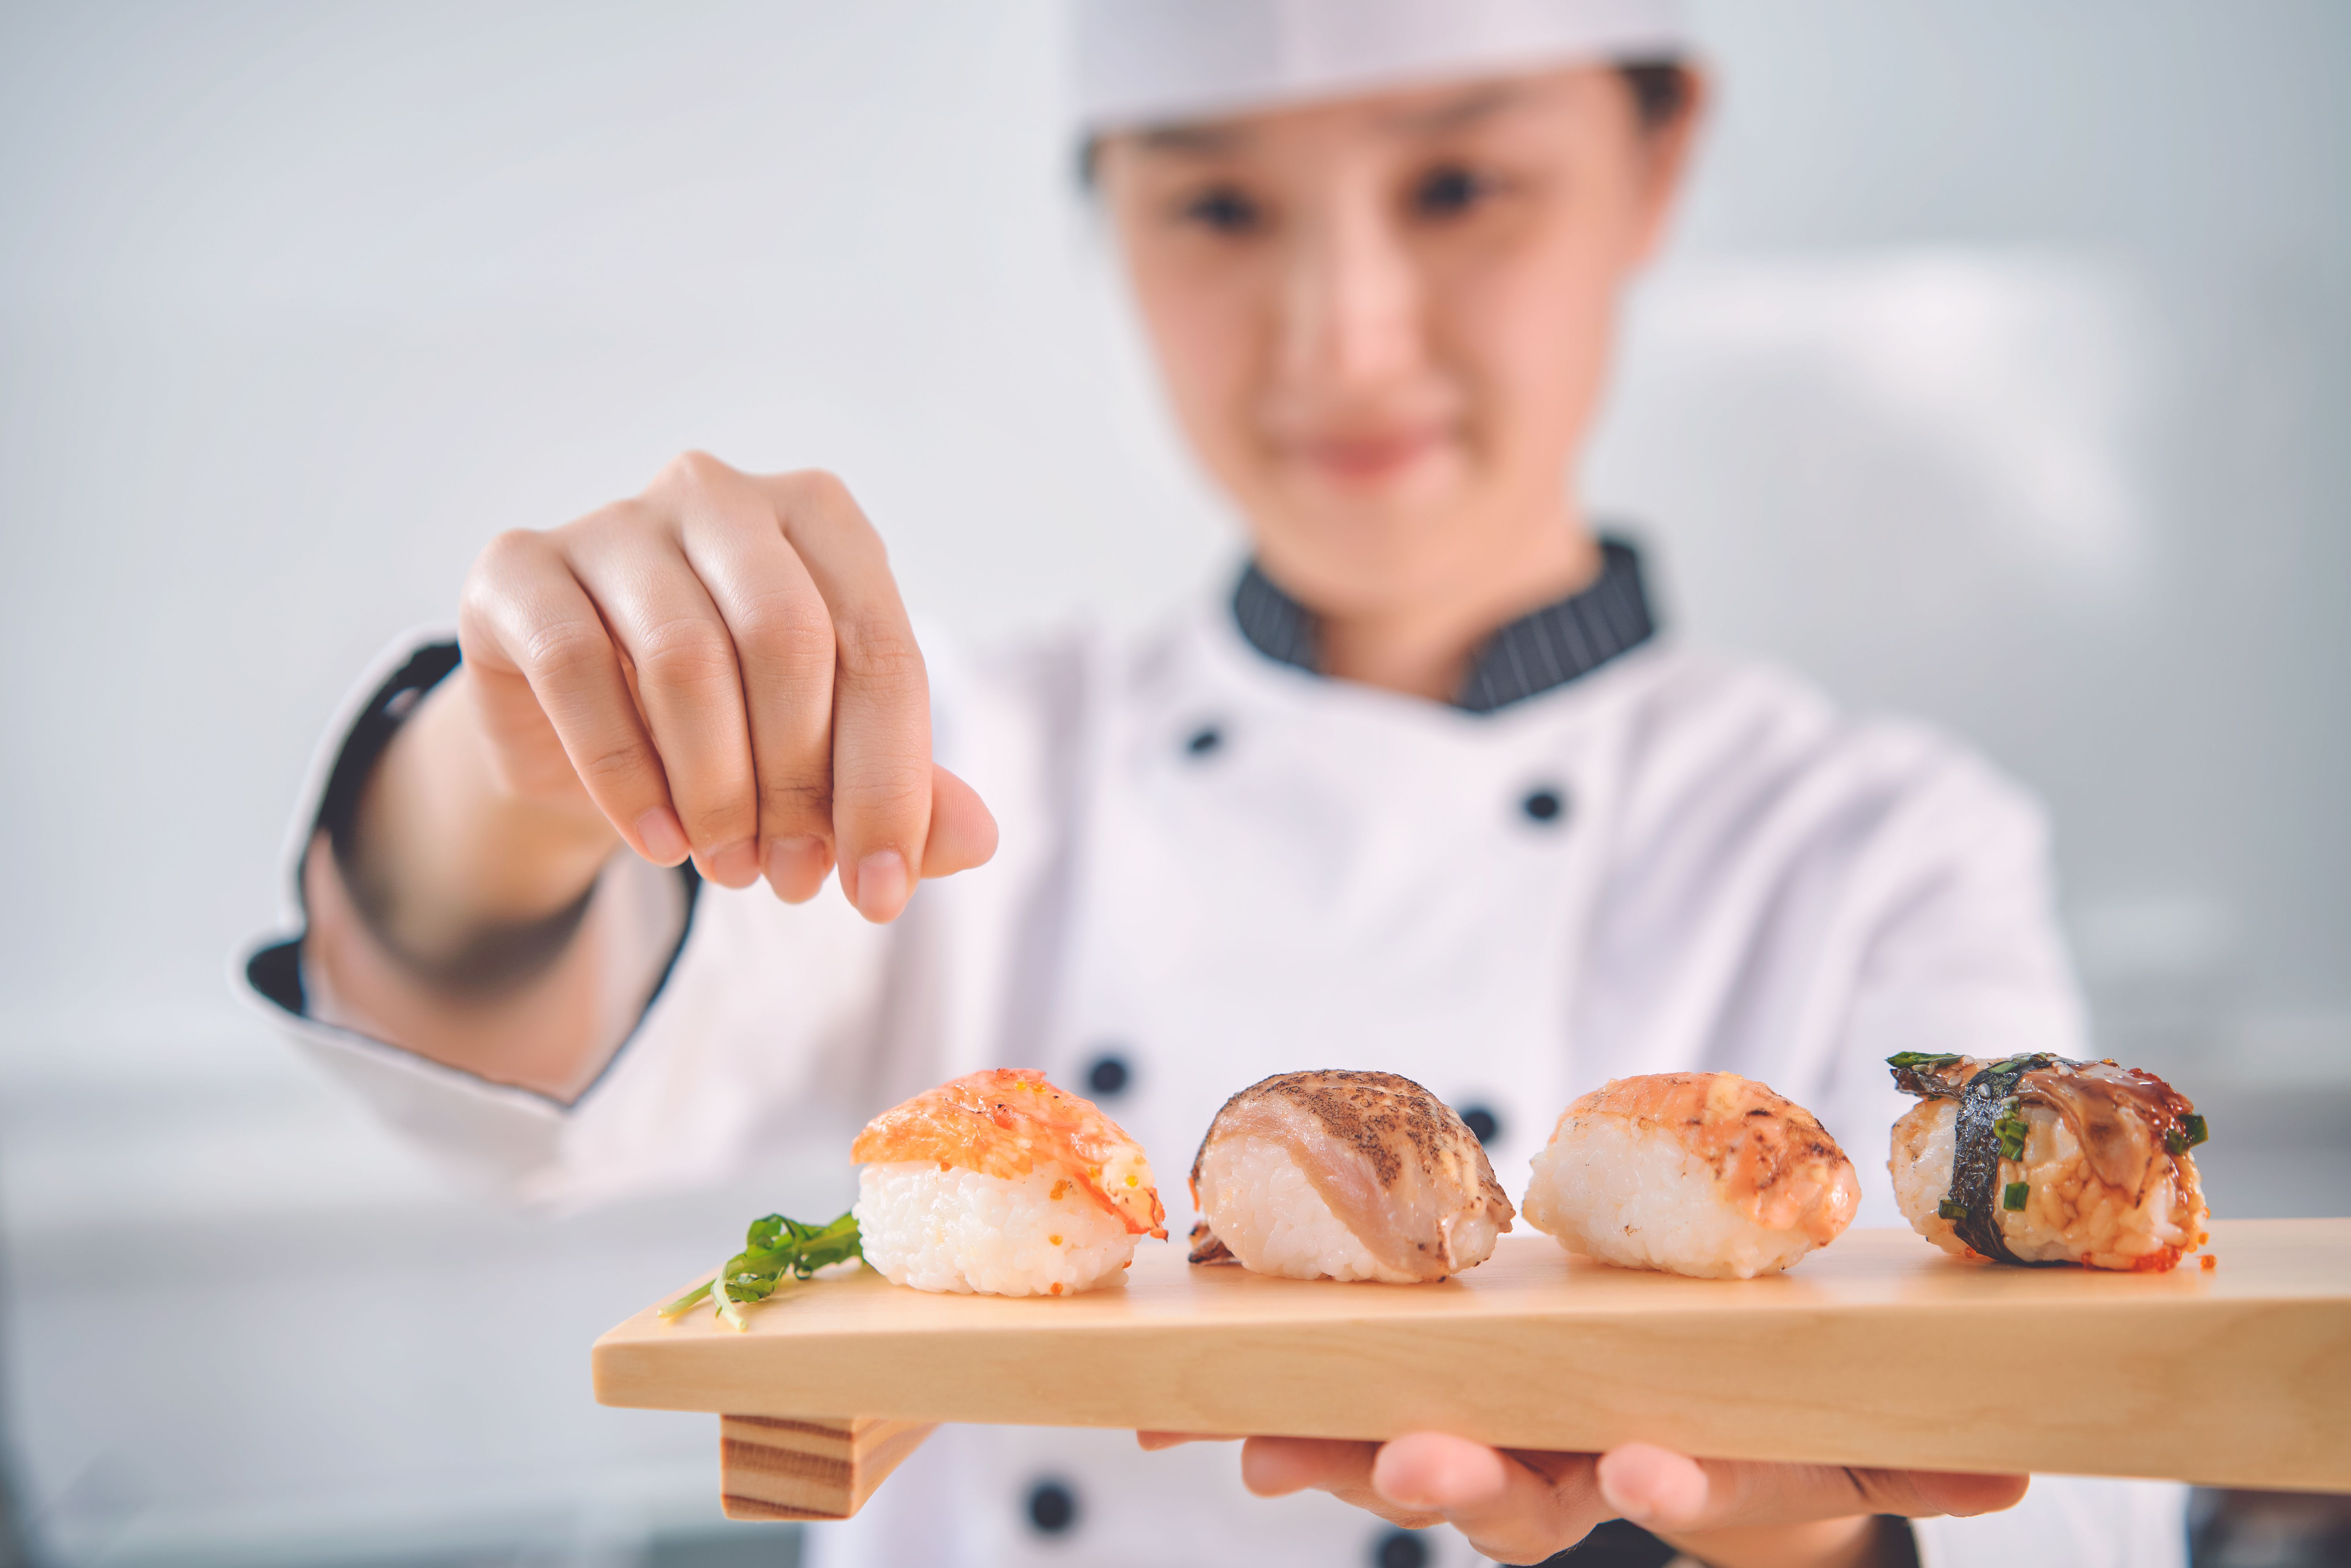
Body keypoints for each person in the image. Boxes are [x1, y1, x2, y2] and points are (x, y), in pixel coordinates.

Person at [241, 3, 2189, 1565]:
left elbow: (2090, 1494)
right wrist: (513, 766)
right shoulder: (967, 759)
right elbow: (502, 1054)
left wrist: (1809, 1532)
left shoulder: (1875, 836)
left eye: (1458, 185)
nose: (1343, 336)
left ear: (1656, 158)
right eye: (1221, 211)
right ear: (1109, 215)